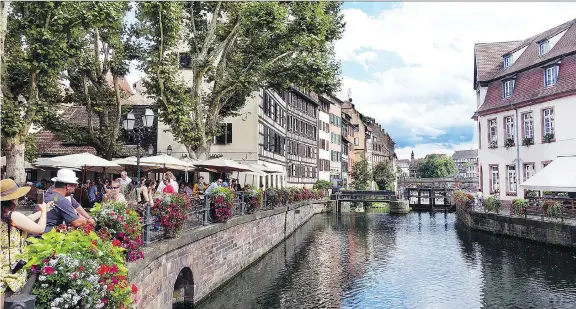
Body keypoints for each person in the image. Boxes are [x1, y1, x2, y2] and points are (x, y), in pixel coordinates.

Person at [1, 179, 52, 303]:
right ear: (13, 198)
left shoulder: (5, 214)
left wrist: (40, 213)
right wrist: (44, 211)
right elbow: (39, 229)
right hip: (10, 267)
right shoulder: (13, 215)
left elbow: (24, 220)